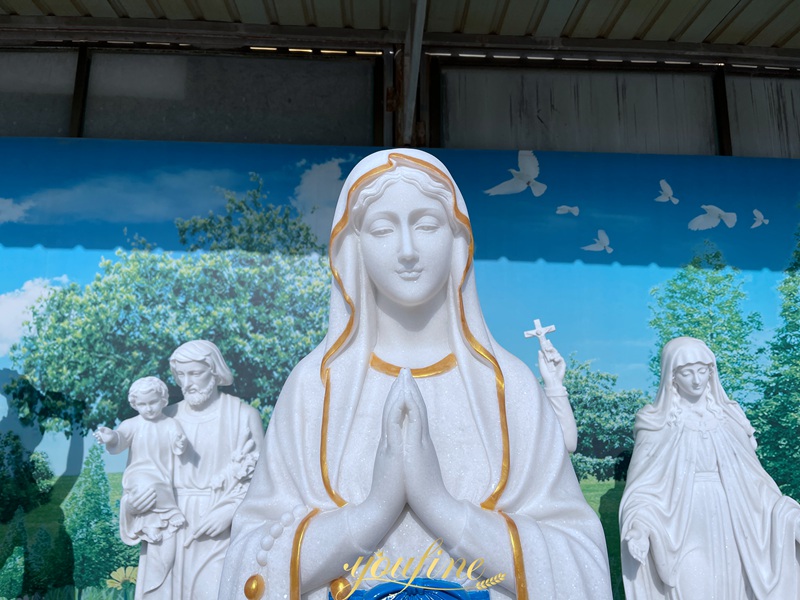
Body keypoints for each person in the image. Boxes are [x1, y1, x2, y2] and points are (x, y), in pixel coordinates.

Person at [219, 149, 611, 600]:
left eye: (426, 225)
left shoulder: (510, 387)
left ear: (456, 238)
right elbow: (250, 564)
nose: (407, 251)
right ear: (355, 245)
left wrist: (438, 504)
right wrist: (374, 510)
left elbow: (578, 561)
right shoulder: (314, 389)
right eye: (383, 229)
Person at [619, 336, 800, 599]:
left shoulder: (729, 417)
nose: (696, 379)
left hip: (736, 521)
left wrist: (787, 515)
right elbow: (643, 487)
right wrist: (640, 528)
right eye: (687, 372)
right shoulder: (655, 422)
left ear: (711, 372)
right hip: (682, 524)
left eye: (702, 371)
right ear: (672, 375)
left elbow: (755, 482)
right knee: (695, 586)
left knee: (734, 588)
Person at [123, 340, 264, 600]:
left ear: (214, 371)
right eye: (180, 375)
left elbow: (265, 484)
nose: (187, 382)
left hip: (218, 532)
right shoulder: (162, 418)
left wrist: (231, 511)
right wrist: (132, 507)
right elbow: (136, 476)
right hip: (167, 528)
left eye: (195, 373)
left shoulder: (243, 416)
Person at [95, 376, 187, 598]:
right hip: (138, 476)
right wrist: (110, 438)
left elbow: (178, 443)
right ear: (135, 405)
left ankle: (150, 526)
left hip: (163, 479)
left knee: (156, 491)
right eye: (142, 404)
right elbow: (119, 441)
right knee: (149, 489)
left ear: (163, 400)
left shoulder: (170, 424)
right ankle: (168, 514)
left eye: (152, 403)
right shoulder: (132, 424)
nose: (148, 408)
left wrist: (180, 443)